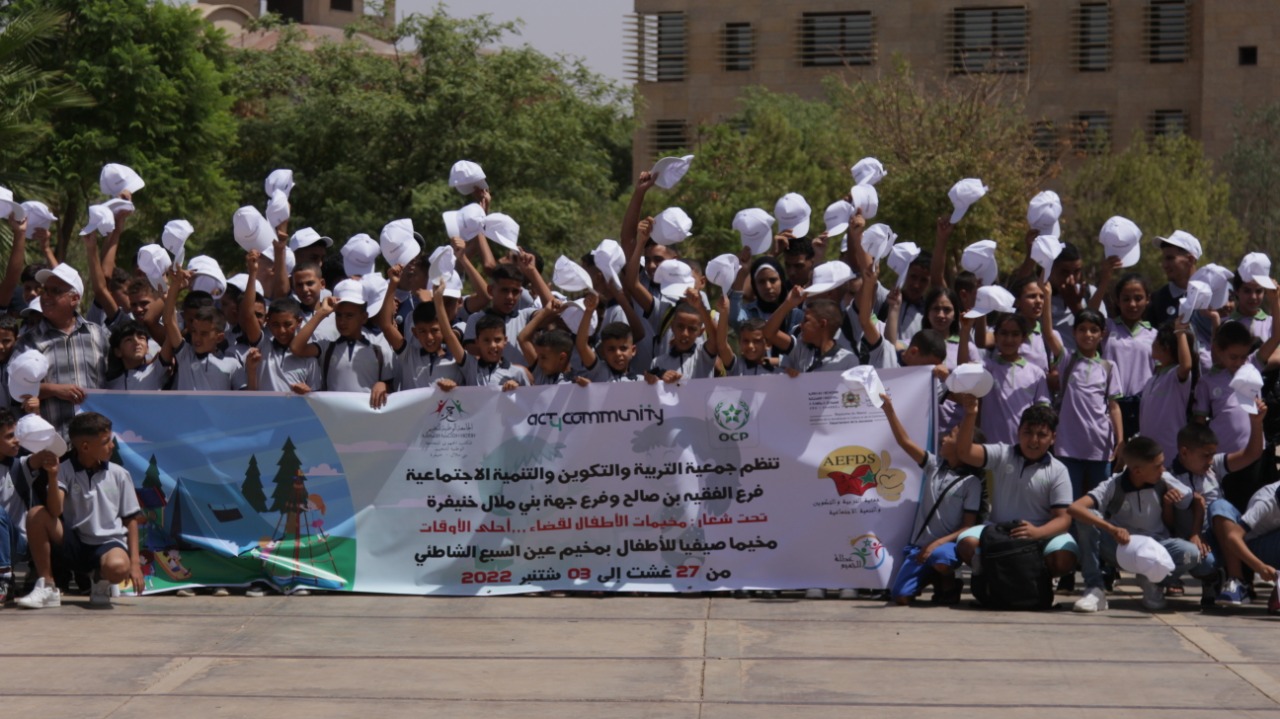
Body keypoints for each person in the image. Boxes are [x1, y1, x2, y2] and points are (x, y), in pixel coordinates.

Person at [1068, 437, 1214, 612]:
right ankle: (1095, 589)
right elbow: (1075, 508)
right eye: (1157, 466)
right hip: (1121, 547)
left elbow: (1197, 500)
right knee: (1087, 517)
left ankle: (1154, 581)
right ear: (1137, 471)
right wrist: (1111, 529)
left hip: (1158, 546)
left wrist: (1195, 533)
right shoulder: (1113, 485)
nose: (1163, 469)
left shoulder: (1164, 479)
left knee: (1191, 554)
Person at [17, 412, 144, 609]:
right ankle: (47, 587)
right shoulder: (64, 469)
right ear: (85, 447)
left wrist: (135, 564)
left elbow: (131, 520)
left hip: (107, 544)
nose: (112, 446)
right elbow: (55, 511)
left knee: (119, 567)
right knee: (36, 514)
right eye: (106, 442)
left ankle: (100, 580)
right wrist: (52, 477)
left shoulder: (120, 474)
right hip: (73, 543)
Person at [953, 399, 1078, 581]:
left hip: (1041, 533)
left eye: (1041, 434)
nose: (1033, 440)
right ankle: (991, 577)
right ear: (1018, 432)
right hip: (997, 530)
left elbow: (1063, 519)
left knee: (1064, 558)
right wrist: (971, 413)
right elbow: (964, 452)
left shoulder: (1059, 470)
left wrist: (1037, 533)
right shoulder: (1002, 454)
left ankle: (1037, 581)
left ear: (1053, 438)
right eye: (1028, 432)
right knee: (966, 543)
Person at [882, 392, 982, 605]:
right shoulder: (934, 465)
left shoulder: (971, 483)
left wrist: (937, 543)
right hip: (919, 547)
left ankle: (948, 582)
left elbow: (968, 526)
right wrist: (889, 411)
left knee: (941, 559)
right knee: (900, 596)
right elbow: (904, 442)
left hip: (946, 546)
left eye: (951, 436)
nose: (944, 438)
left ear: (963, 446)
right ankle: (931, 576)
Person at [15, 264, 108, 438]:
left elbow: (115, 382)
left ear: (74, 298)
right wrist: (54, 390)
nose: (46, 296)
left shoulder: (98, 335)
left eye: (55, 291)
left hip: (96, 441)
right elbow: (16, 387)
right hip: (53, 443)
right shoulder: (28, 342)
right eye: (45, 290)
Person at [1052, 309, 1123, 513]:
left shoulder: (1108, 367)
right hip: (1067, 446)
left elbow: (1114, 406)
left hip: (1100, 447)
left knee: (1099, 504)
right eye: (1082, 329)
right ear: (1074, 332)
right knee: (1068, 504)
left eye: (1094, 330)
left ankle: (1099, 535)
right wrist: (1047, 297)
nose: (1088, 334)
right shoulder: (1066, 359)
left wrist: (1120, 441)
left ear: (1102, 334)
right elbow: (1048, 333)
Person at [290, 279, 393, 407]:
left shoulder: (380, 351)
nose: (342, 321)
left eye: (349, 315)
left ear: (364, 317)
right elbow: (296, 348)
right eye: (338, 315)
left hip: (367, 416)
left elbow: (392, 387)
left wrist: (384, 385)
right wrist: (321, 313)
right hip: (334, 416)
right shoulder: (326, 347)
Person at [958, 311, 1051, 446]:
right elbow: (962, 370)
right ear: (995, 336)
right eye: (1004, 333)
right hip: (990, 448)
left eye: (1015, 334)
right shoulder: (987, 367)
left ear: (1023, 338)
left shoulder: (1036, 374)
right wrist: (965, 331)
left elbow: (1043, 413)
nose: (1009, 339)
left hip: (1023, 449)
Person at [1093, 265, 1154, 439]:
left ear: (1148, 299)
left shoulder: (1155, 335)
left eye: (1138, 298)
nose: (1132, 304)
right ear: (1117, 301)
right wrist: (1104, 282)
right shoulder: (1107, 327)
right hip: (1110, 405)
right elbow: (1089, 312)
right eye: (1126, 299)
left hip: (1143, 407)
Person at [377, 264, 461, 392]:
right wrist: (393, 284)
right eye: (422, 331)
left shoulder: (457, 360)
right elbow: (386, 326)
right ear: (414, 333)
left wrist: (454, 387)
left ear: (444, 329)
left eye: (434, 330)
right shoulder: (408, 356)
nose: (429, 337)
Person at [159, 270, 246, 392]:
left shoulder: (232, 364)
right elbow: (168, 321)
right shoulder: (185, 355)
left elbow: (245, 397)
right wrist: (176, 284)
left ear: (219, 337)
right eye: (194, 331)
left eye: (204, 333)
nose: (197, 337)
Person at [436, 281, 531, 391]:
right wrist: (438, 300)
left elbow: (530, 399)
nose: (492, 345)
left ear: (505, 340)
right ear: (477, 341)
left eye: (497, 340)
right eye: (486, 340)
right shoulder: (470, 365)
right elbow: (449, 336)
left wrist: (516, 389)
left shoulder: (518, 373)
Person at [763, 287, 858, 376]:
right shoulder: (799, 349)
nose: (801, 325)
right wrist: (788, 304)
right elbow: (769, 333)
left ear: (822, 324)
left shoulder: (848, 361)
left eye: (806, 320)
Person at [647, 289, 719, 383]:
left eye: (692, 329)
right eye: (680, 326)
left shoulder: (703, 356)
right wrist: (658, 377)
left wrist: (700, 306)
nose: (685, 333)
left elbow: (716, 338)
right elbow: (650, 385)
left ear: (701, 332)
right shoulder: (658, 363)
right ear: (672, 326)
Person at [105, 320, 171, 391]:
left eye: (141, 338)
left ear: (147, 348)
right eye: (128, 339)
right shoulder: (110, 385)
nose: (137, 342)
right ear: (118, 352)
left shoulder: (156, 369)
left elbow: (171, 334)